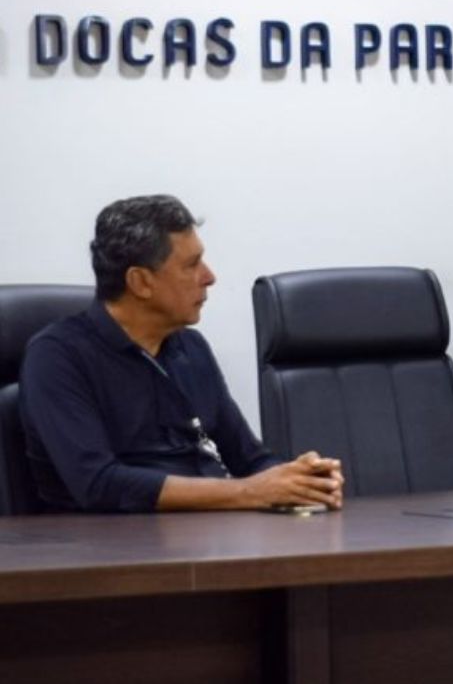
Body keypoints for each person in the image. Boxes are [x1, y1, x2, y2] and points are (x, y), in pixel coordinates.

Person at [20, 194, 344, 512]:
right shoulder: (57, 357)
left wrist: (299, 480)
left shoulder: (190, 347)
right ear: (140, 282)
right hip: (117, 539)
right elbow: (98, 483)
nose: (209, 277)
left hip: (209, 530)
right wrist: (250, 491)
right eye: (191, 265)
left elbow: (249, 459)